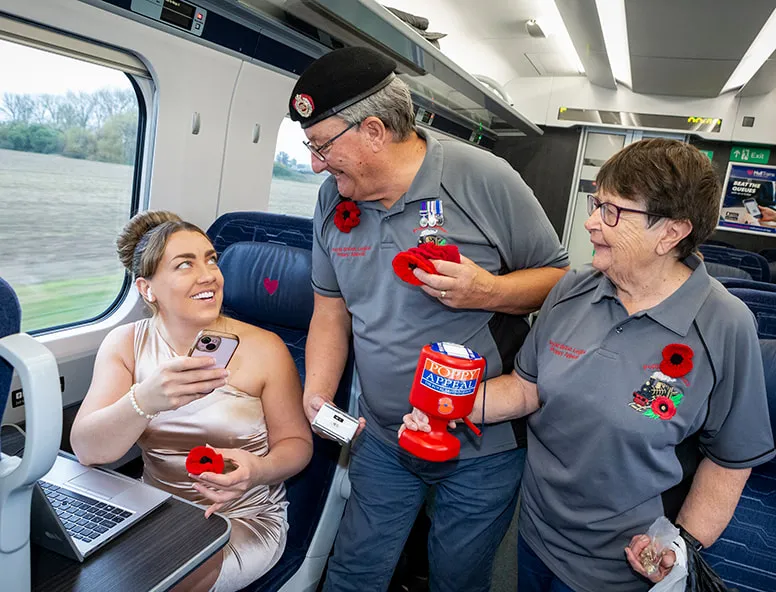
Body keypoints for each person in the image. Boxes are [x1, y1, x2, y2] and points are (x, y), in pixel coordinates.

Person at [403, 138, 776, 592]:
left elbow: (731, 460)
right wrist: (445, 404)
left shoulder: (725, 324)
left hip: (623, 565)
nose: (591, 222)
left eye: (612, 212)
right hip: (536, 532)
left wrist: (681, 546)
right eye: (596, 203)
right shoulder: (573, 289)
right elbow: (525, 390)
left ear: (671, 233)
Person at [288, 46, 569, 592]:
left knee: (455, 578)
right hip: (383, 436)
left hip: (480, 444)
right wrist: (317, 392)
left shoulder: (481, 177)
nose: (316, 164)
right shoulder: (331, 199)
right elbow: (330, 307)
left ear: (373, 131)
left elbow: (560, 282)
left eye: (322, 146)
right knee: (353, 572)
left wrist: (488, 289)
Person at [70, 211, 313, 592]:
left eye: (211, 259)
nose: (209, 275)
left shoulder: (265, 348)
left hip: (239, 516)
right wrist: (144, 399)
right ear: (147, 289)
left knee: (165, 581)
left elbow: (297, 446)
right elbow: (88, 449)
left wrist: (258, 470)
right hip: (154, 509)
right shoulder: (125, 346)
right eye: (185, 264)